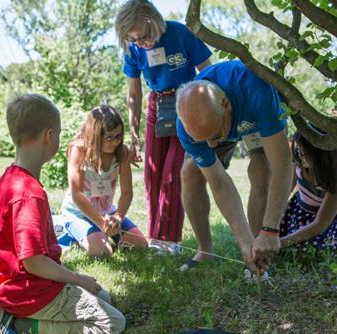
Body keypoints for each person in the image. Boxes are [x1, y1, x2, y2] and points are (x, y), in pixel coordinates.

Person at [0, 94, 125, 333]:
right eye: (57, 133)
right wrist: (77, 278)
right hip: (27, 291)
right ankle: (22, 324)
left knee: (104, 297)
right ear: (49, 136)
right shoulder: (29, 194)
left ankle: (18, 316)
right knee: (113, 322)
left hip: (7, 286)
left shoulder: (7, 179)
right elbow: (34, 262)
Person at [175, 60, 293, 275]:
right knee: (190, 173)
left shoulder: (258, 90)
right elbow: (219, 183)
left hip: (253, 117)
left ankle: (261, 249)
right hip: (223, 124)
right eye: (203, 141)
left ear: (226, 105)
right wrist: (243, 241)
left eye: (214, 137)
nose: (212, 146)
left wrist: (270, 229)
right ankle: (206, 250)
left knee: (262, 170)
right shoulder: (187, 127)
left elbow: (282, 165)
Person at [115, 0, 212, 252]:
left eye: (144, 36)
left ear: (154, 21)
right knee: (152, 174)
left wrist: (206, 114)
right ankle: (156, 239)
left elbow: (208, 72)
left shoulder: (180, 32)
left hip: (187, 101)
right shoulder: (133, 47)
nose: (141, 43)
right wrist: (134, 135)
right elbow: (134, 94)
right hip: (157, 105)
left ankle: (170, 241)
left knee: (173, 174)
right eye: (133, 39)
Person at [60, 105, 147, 257]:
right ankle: (75, 233)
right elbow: (77, 194)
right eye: (109, 137)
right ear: (95, 135)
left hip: (107, 212)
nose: (115, 142)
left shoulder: (122, 152)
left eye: (119, 136)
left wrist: (117, 218)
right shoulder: (79, 150)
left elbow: (127, 193)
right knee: (102, 252)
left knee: (140, 245)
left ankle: (100, 235)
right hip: (78, 213)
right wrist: (102, 224)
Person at [279, 130, 337, 252]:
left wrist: (280, 244)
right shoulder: (298, 155)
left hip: (328, 221)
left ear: (320, 154)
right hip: (299, 211)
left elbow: (320, 224)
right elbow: (284, 191)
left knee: (309, 250)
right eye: (298, 150)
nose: (300, 156)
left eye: (304, 153)